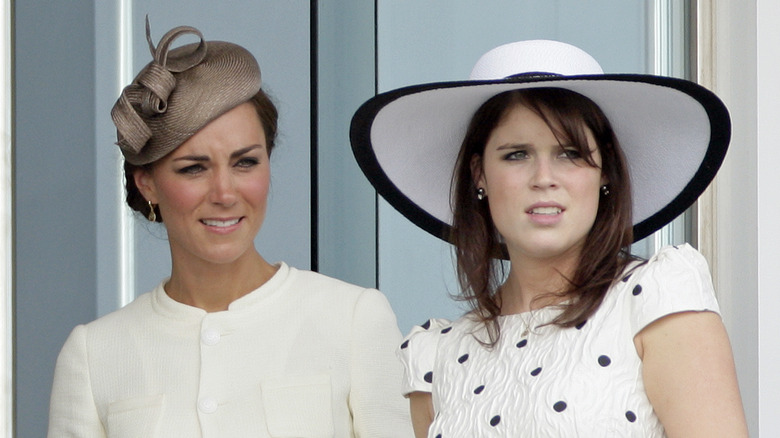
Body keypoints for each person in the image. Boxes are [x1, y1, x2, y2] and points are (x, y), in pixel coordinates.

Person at [350, 40, 748, 437]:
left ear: (604, 172)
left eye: (570, 153)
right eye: (516, 154)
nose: (544, 178)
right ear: (479, 175)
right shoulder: (439, 353)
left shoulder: (657, 301)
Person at [48, 22, 412, 437]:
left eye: (245, 162)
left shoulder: (352, 319)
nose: (224, 192)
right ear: (146, 181)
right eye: (193, 168)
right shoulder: (94, 355)